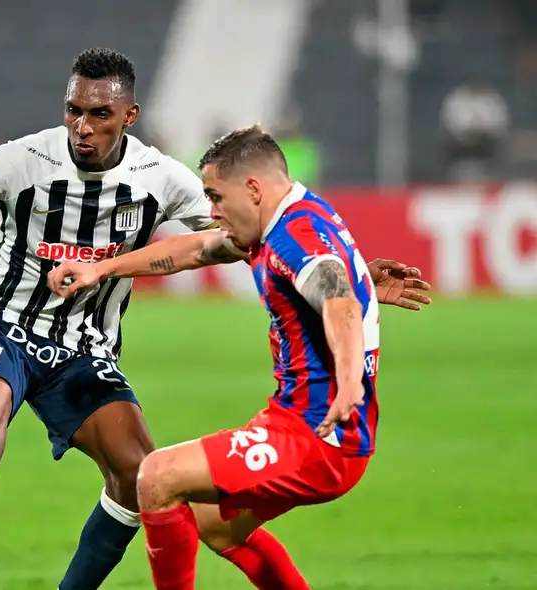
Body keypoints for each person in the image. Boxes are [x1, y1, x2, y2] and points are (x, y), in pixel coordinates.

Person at [0, 50, 428, 589]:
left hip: (84, 349)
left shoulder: (163, 178)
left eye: (99, 114)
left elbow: (229, 241)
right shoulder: (23, 158)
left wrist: (341, 275)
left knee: (140, 478)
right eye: (74, 111)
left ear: (128, 116)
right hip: (2, 328)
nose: (83, 126)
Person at [47, 125, 432, 589]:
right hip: (299, 421)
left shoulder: (294, 235)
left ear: (252, 189)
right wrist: (101, 269)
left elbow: (339, 298)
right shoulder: (287, 217)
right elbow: (197, 249)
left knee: (157, 476)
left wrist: (349, 382)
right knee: (215, 523)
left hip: (319, 435)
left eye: (216, 196)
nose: (211, 211)